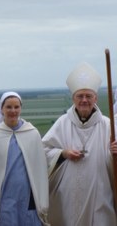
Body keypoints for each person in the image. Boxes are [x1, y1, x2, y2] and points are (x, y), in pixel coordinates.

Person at [42, 62, 117, 225]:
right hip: (68, 197)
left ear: (95, 98)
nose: (84, 100)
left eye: (88, 96)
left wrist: (113, 154)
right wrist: (63, 153)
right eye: (80, 96)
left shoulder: (108, 125)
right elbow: (44, 150)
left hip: (100, 195)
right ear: (73, 98)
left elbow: (114, 161)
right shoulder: (63, 123)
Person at [0, 92, 49, 226]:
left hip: (29, 197)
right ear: (1, 109)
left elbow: (40, 170)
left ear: (21, 109)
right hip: (4, 199)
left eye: (16, 107)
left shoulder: (32, 134)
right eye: (9, 107)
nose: (13, 111)